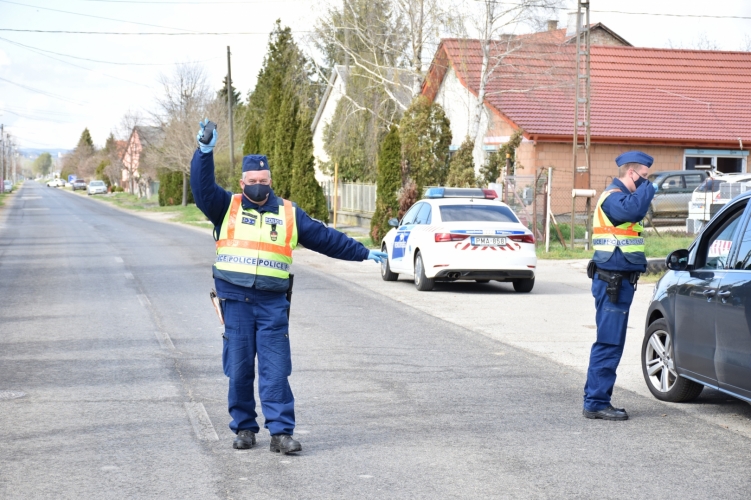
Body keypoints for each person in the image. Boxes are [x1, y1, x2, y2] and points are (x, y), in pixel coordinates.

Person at [190, 120, 387, 453]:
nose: (257, 186)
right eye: (252, 181)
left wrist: (363, 252)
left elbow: (326, 238)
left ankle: (280, 433)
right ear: (242, 182)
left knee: (276, 369)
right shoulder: (226, 207)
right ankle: (244, 428)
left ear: (270, 181)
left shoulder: (288, 214)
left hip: (272, 303)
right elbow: (202, 187)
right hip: (235, 301)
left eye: (263, 181)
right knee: (238, 369)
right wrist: (204, 152)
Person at [583, 151, 656, 421]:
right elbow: (634, 209)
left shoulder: (622, 197)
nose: (647, 182)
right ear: (631, 173)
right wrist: (648, 189)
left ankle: (596, 399)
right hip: (612, 282)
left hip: (619, 282)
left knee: (612, 341)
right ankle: (596, 402)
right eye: (644, 177)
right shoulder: (613, 198)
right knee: (609, 342)